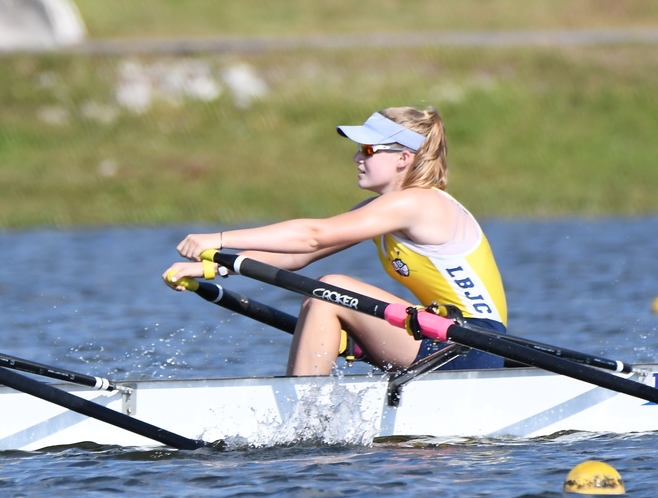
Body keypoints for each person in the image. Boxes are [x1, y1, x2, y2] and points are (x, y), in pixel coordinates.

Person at [163, 107, 507, 375]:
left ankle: (302, 416)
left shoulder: (418, 203)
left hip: (474, 343)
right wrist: (210, 268)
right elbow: (298, 256)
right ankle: (307, 400)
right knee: (323, 296)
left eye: (369, 149)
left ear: (404, 158)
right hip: (441, 334)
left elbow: (312, 237)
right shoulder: (385, 208)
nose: (357, 158)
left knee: (330, 291)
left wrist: (219, 239)